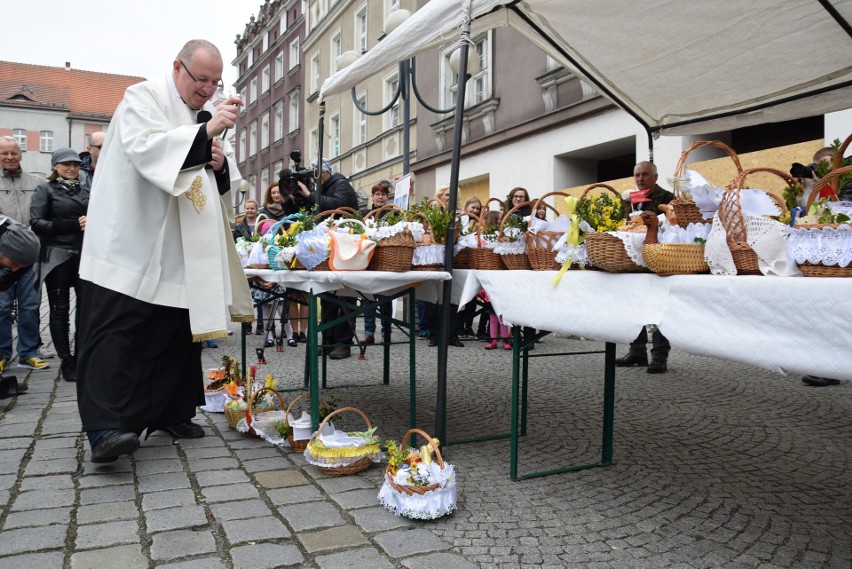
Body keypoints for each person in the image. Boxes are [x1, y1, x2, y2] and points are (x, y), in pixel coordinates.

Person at [76, 39, 252, 463]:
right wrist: (205, 133)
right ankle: (105, 429)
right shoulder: (143, 97)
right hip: (130, 241)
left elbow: (219, 180)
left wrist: (219, 164)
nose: (208, 89)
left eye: (215, 82)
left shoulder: (199, 117)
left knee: (174, 332)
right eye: (201, 79)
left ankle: (171, 411)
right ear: (178, 68)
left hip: (180, 246)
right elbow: (146, 149)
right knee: (117, 333)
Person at [30, 148, 91, 382]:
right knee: (59, 310)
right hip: (57, 255)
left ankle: (83, 356)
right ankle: (67, 359)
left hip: (84, 255)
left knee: (86, 309)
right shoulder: (44, 190)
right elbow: (36, 222)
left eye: (75, 164)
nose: (72, 168)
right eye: (66, 164)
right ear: (55, 166)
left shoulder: (87, 190)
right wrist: (71, 224)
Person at [291, 158, 358, 359]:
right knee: (328, 296)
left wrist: (310, 195)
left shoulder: (340, 183)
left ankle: (343, 343)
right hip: (330, 245)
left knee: (346, 295)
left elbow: (337, 205)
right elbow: (317, 212)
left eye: (315, 175)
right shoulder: (325, 186)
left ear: (324, 173)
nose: (313, 179)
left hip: (347, 246)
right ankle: (328, 341)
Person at [616, 161, 674, 374]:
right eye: (637, 175)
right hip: (634, 260)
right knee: (635, 305)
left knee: (659, 308)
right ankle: (637, 352)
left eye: (645, 175)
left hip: (659, 259)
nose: (640, 179)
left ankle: (659, 356)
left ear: (655, 177)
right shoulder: (631, 200)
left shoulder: (667, 198)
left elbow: (672, 226)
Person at [0, 137, 50, 373]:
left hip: (31, 255)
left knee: (30, 305)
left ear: (21, 155)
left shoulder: (36, 182)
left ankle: (28, 353)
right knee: (2, 306)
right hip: (4, 257)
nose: (9, 157)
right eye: (4, 153)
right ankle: (2, 352)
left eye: (13, 153)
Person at [360, 180, 394, 344]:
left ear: (388, 197)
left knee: (385, 298)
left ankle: (386, 332)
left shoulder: (393, 213)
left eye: (383, 194)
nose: (380, 197)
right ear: (373, 196)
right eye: (377, 194)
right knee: (368, 298)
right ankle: (369, 333)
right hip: (368, 259)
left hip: (387, 259)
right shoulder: (365, 213)